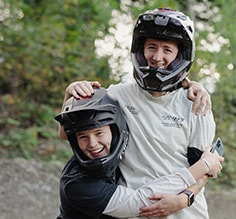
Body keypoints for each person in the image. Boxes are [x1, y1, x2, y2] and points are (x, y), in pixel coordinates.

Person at [62, 8, 219, 218]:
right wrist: (70, 92)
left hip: (186, 214)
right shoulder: (117, 95)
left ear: (180, 56)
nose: (157, 57)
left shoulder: (196, 104)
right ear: (140, 50)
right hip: (136, 210)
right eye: (151, 47)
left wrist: (184, 198)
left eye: (167, 50)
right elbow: (67, 132)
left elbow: (206, 168)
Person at [55, 88, 223, 218]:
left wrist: (190, 85)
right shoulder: (77, 185)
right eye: (83, 137)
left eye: (99, 133)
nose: (92, 144)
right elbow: (143, 201)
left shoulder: (120, 152)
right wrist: (204, 165)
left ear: (115, 130)